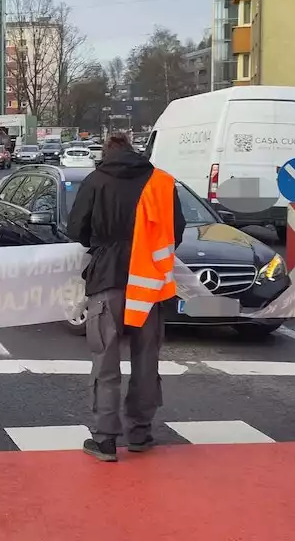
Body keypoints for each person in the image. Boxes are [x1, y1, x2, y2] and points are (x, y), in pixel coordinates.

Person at [67, 132, 184, 462]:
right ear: (133, 151)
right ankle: (141, 433)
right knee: (145, 358)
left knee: (105, 361)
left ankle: (105, 439)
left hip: (108, 279)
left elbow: (76, 229)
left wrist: (102, 241)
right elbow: (176, 230)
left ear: (106, 152)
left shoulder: (96, 180)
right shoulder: (160, 181)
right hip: (149, 283)